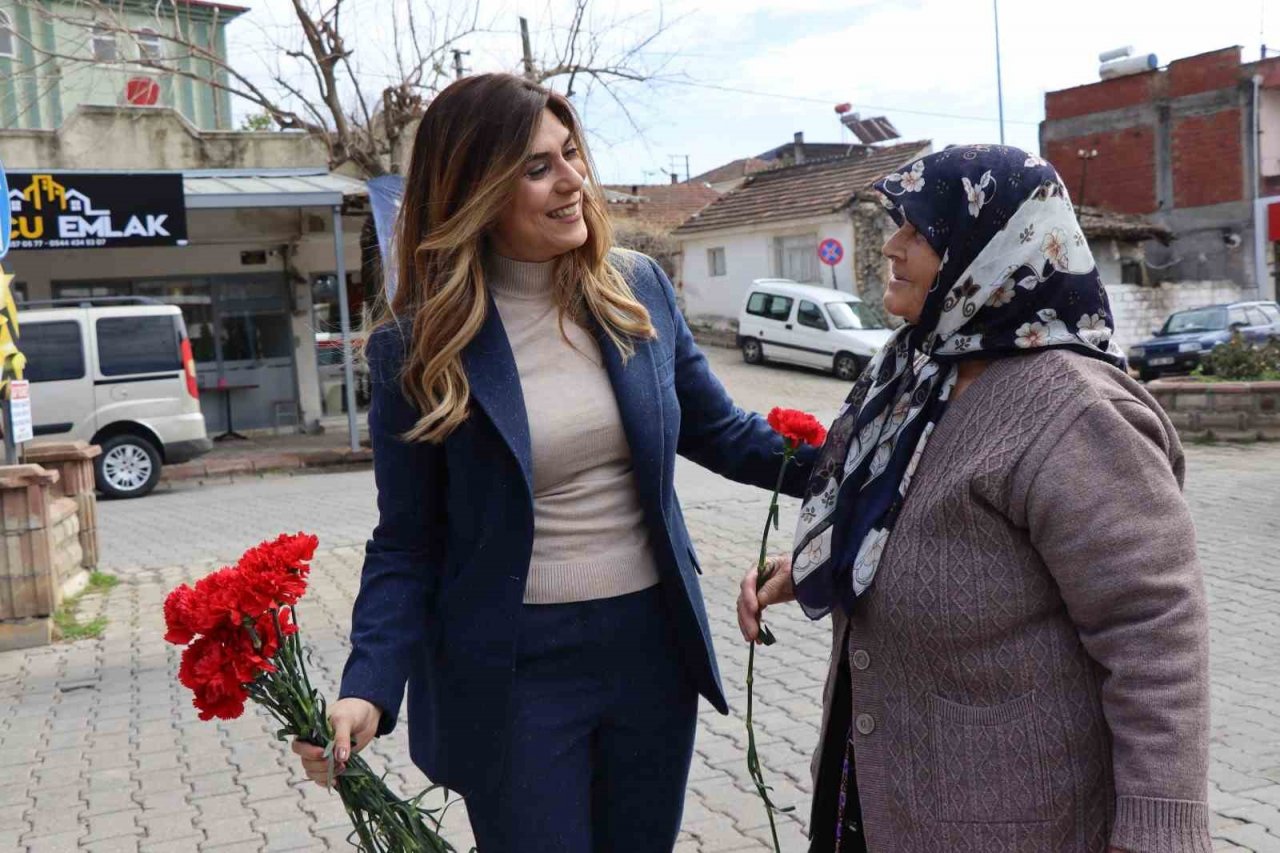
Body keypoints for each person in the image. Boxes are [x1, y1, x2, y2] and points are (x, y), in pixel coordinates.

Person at [290, 73, 816, 853]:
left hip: (649, 648)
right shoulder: (417, 345)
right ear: (475, 189)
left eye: (571, 154)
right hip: (513, 671)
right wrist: (368, 684)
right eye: (539, 167)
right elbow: (407, 541)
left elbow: (726, 433)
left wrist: (871, 458)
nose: (574, 181)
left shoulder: (634, 288)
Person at [737, 145, 1211, 853]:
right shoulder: (917, 370)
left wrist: (1156, 830)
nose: (892, 247)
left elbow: (1155, 631)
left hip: (1014, 817)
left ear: (993, 249)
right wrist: (803, 565)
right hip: (879, 792)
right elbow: (893, 515)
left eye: (918, 232)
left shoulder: (1074, 412)